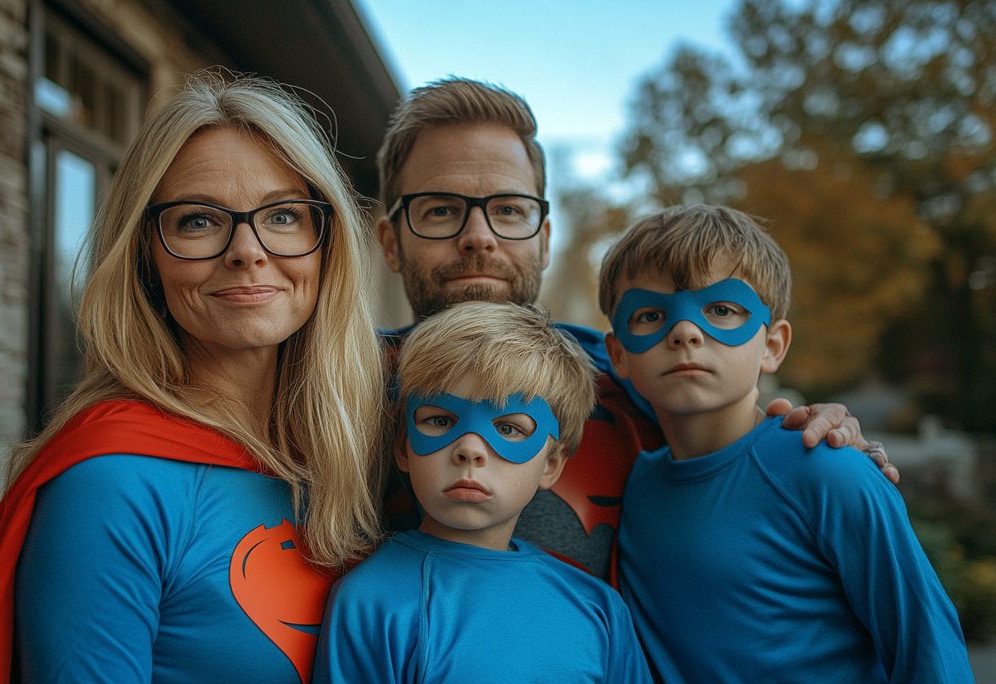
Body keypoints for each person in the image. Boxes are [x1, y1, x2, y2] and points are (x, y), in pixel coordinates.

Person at [0, 70, 387, 684]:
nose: (247, 251)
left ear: (325, 242)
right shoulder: (111, 484)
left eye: (283, 215)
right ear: (146, 255)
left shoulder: (362, 451)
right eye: (198, 220)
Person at [374, 76, 897, 583]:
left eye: (509, 210)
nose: (478, 237)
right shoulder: (341, 391)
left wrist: (822, 444)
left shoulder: (631, 376)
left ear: (544, 240)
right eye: (440, 211)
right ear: (391, 242)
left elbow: (741, 441)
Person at [600, 204, 978, 684]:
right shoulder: (632, 487)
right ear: (618, 354)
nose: (685, 332)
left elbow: (928, 650)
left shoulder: (828, 471)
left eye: (722, 310)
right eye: (650, 314)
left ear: (772, 345)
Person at [310, 301, 666, 684]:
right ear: (403, 446)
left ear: (551, 464)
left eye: (509, 428)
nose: (469, 449)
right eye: (441, 420)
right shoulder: (372, 602)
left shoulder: (598, 608)